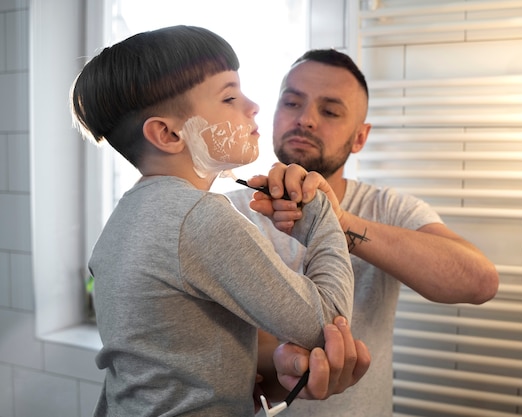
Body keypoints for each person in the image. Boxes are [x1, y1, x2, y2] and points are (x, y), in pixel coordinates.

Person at [70, 27, 357, 417]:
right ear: (168, 134)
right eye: (229, 97)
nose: (253, 106)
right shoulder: (199, 216)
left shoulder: (126, 217)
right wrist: (321, 212)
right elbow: (326, 322)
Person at [227, 49, 500, 416]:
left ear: (360, 137)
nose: (305, 119)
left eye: (330, 111)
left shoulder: (388, 209)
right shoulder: (225, 213)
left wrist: (338, 222)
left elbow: (480, 282)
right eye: (292, 102)